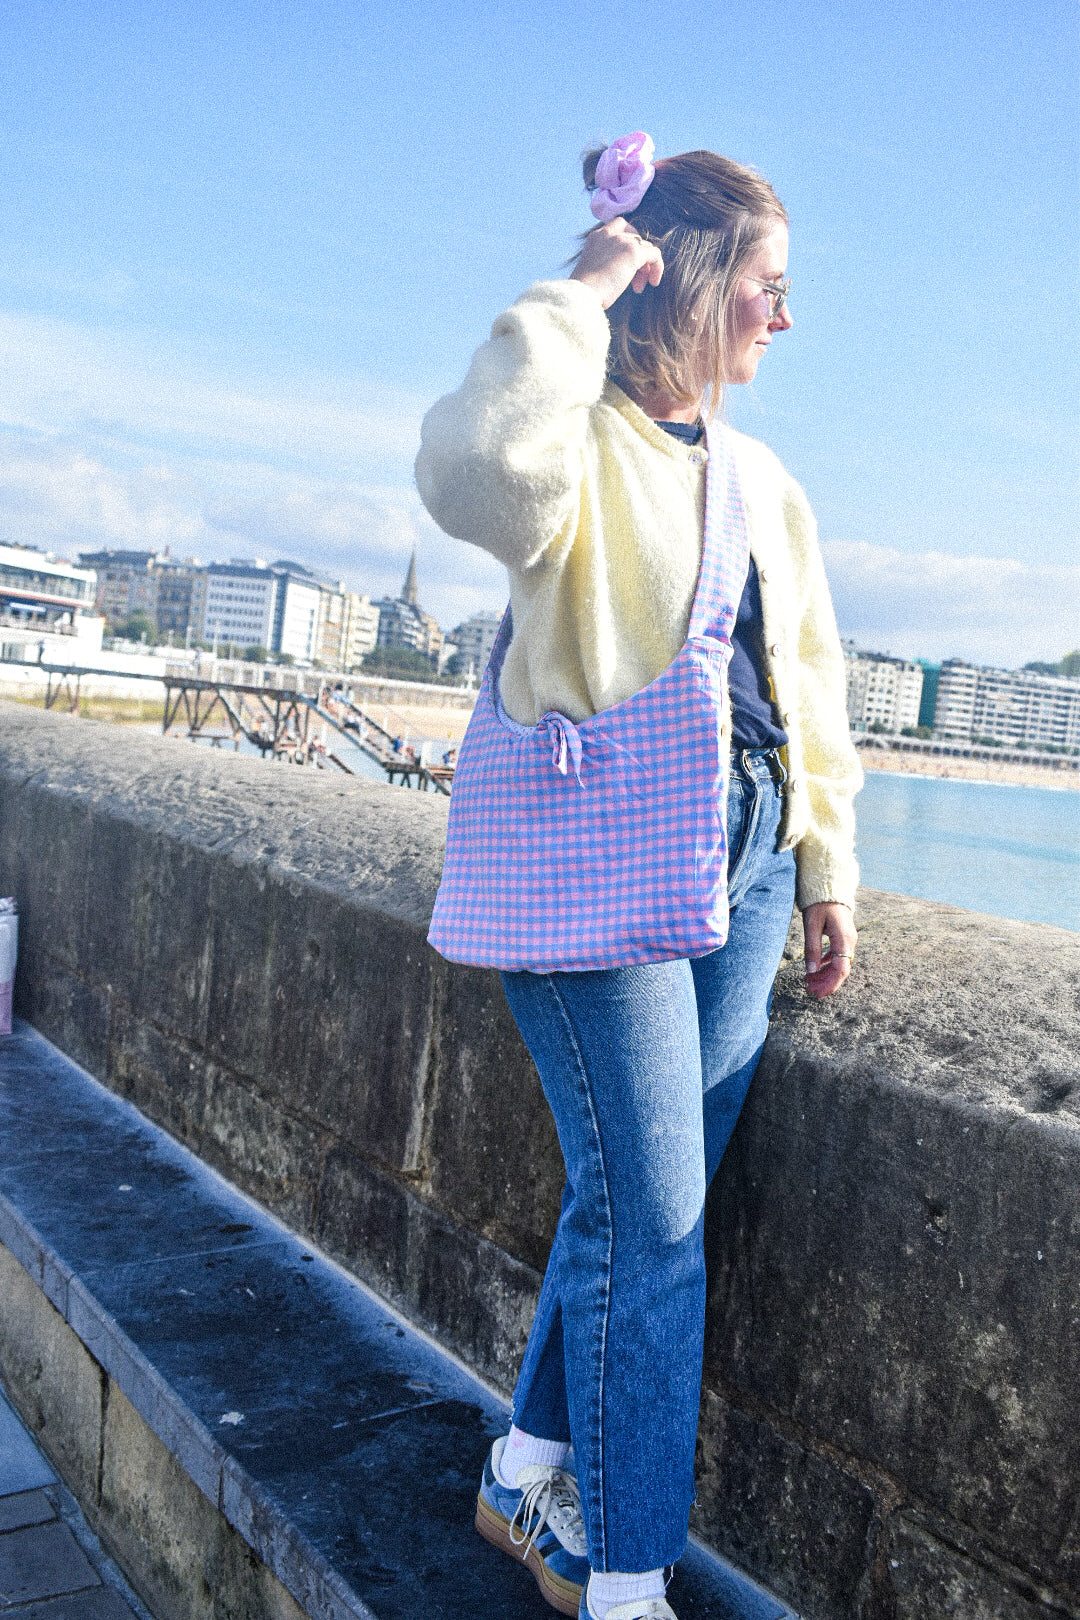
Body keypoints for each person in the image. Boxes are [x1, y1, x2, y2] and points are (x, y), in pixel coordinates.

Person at [415, 133, 861, 1620]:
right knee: (658, 1226)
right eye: (769, 289)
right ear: (696, 277)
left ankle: (525, 1460)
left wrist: (823, 864)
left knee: (638, 1199)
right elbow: (474, 477)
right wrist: (584, 282)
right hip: (591, 858)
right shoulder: (576, 438)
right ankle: (625, 1578)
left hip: (736, 858)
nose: (785, 322)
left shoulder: (762, 476)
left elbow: (806, 676)